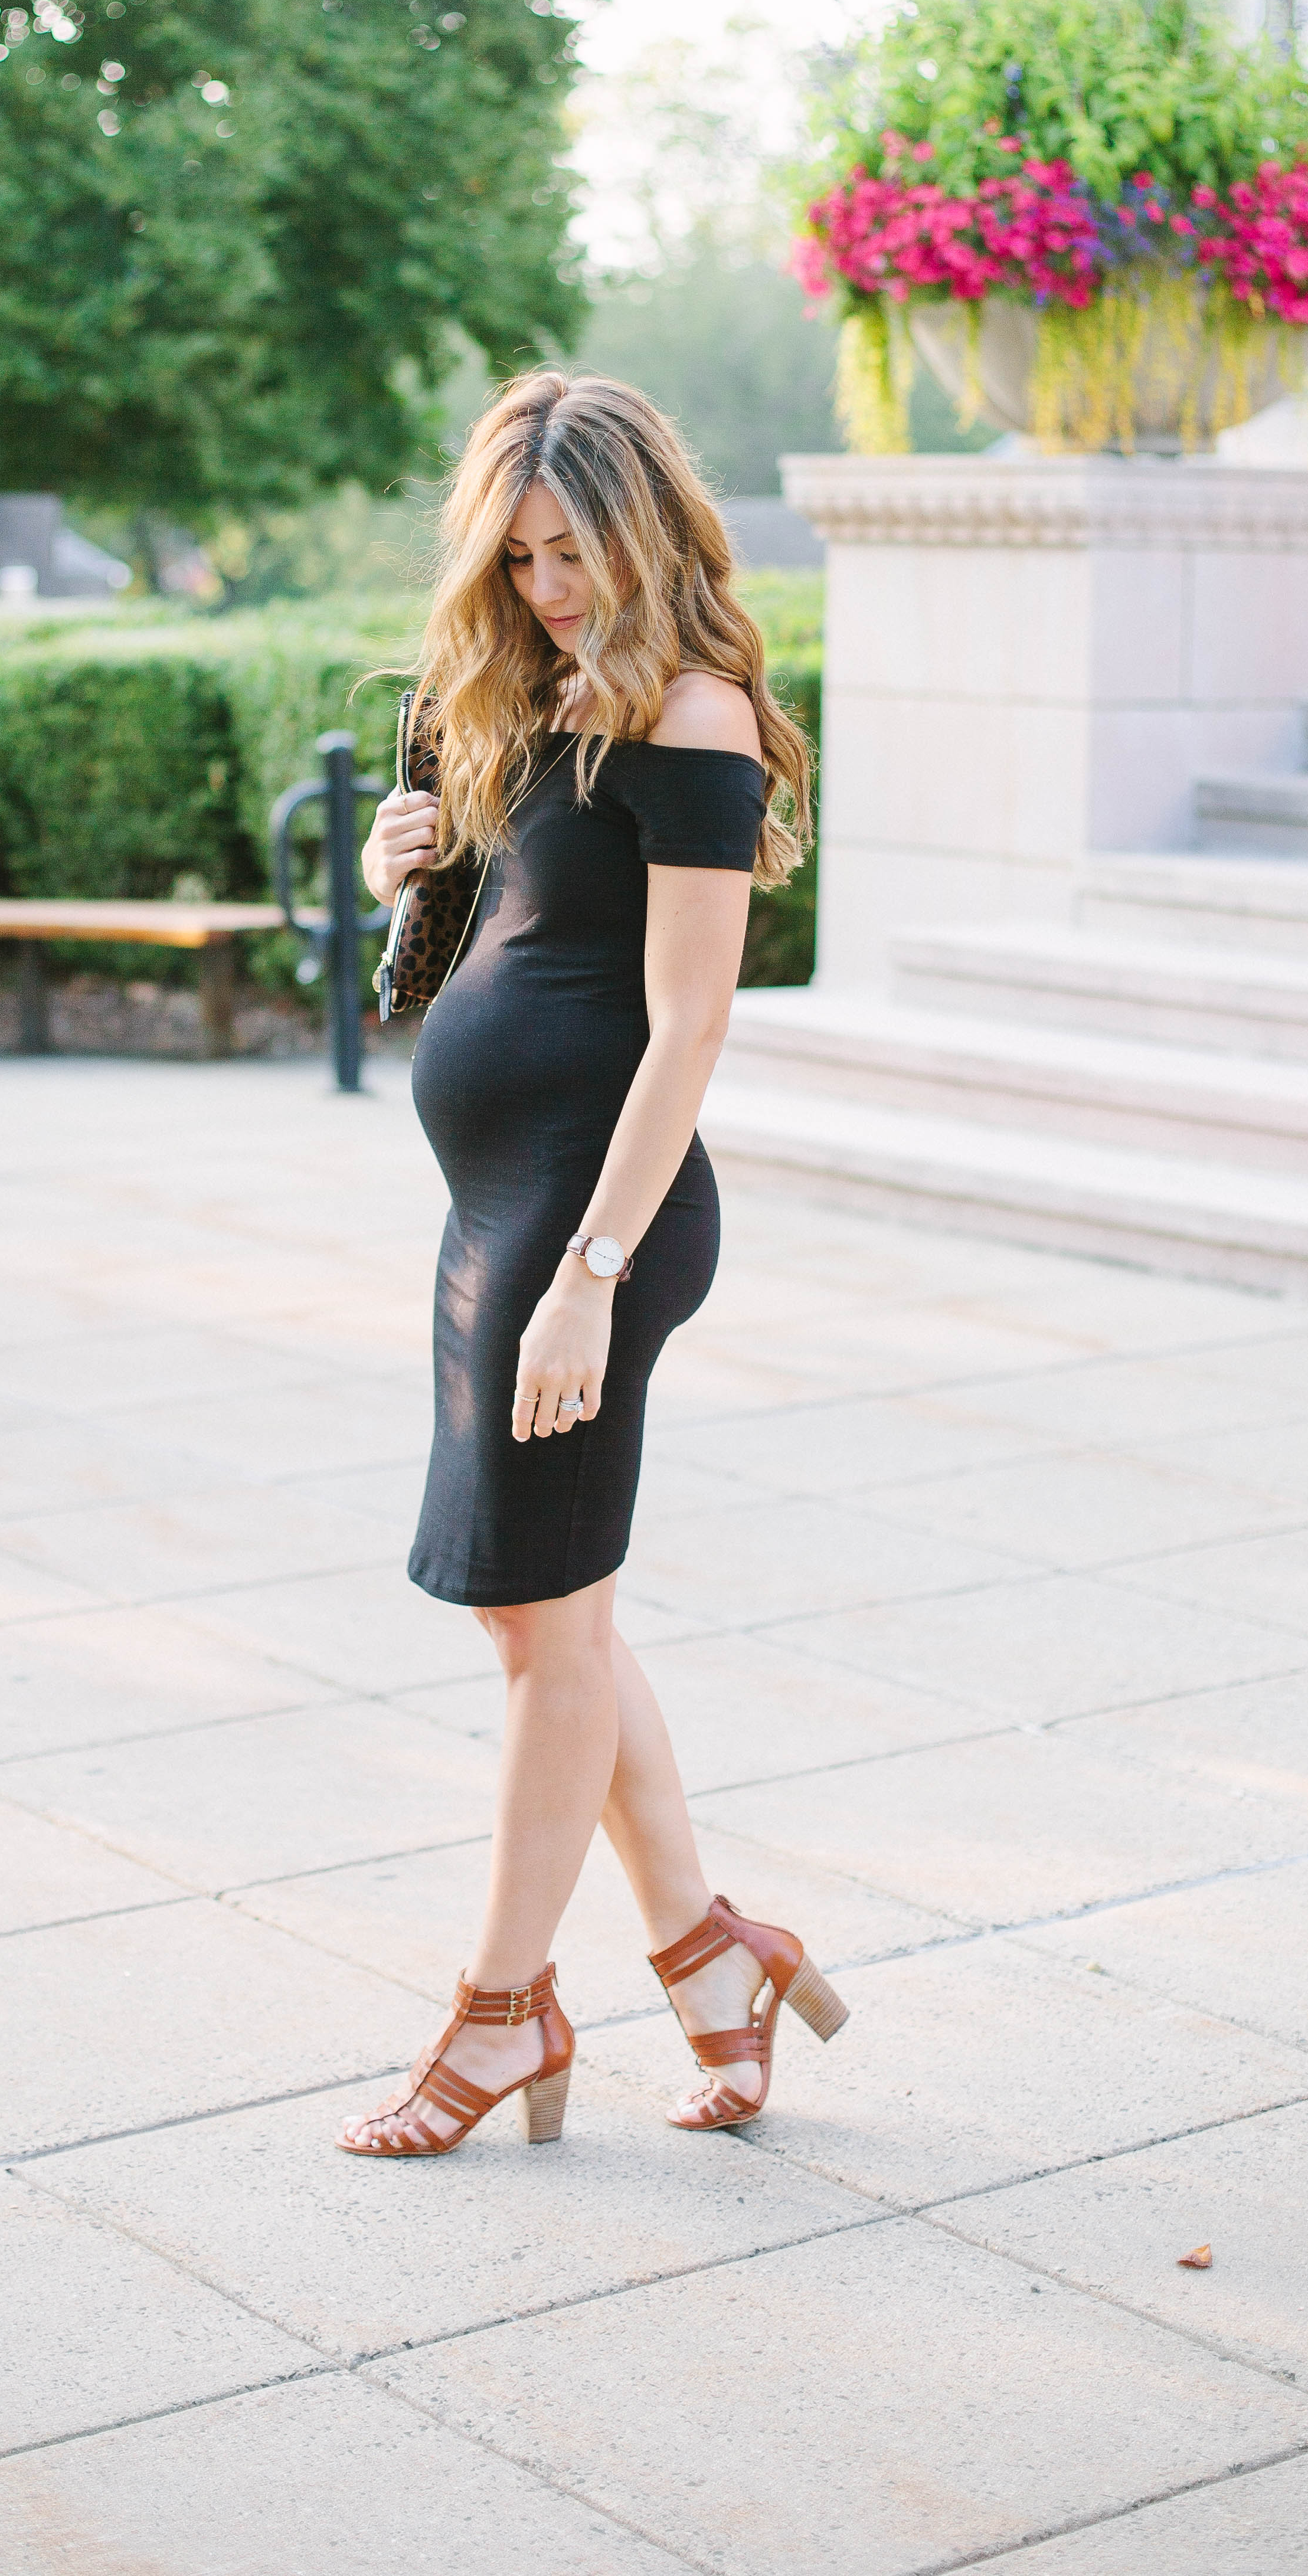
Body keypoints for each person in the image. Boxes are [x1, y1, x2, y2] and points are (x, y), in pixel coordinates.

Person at [339, 369, 848, 2161]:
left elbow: (688, 1023)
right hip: (507, 1216)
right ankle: (718, 1964)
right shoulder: (542, 696)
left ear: (645, 530)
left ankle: (501, 2016)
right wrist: (420, 856)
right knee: (540, 1612)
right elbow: (531, 930)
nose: (550, 586)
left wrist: (594, 1272)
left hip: (591, 1226)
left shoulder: (695, 717)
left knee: (544, 1633)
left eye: (576, 551)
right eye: (524, 555)